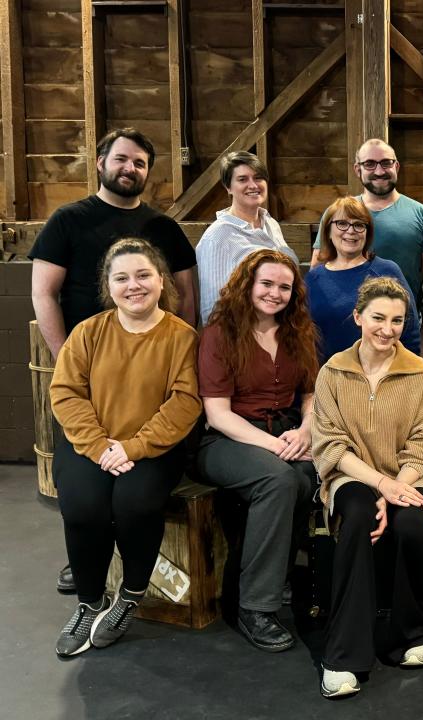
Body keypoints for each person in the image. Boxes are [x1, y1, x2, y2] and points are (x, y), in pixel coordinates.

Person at [29, 126, 197, 595]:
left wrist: (167, 340)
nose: (130, 169)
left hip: (148, 378)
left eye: (140, 163)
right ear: (101, 162)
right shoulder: (69, 219)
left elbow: (187, 292)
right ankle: (89, 564)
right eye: (122, 159)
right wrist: (70, 360)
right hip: (89, 365)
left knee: (134, 498)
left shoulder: (163, 229)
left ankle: (131, 582)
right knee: (84, 499)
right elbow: (44, 293)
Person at [49, 238, 201, 657]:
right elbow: (65, 393)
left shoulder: (182, 337)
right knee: (82, 506)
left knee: (134, 505)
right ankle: (90, 602)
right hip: (90, 444)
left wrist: (133, 447)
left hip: (152, 447)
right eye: (122, 278)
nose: (133, 285)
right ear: (108, 285)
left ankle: (129, 597)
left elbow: (185, 402)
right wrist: (99, 447)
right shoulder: (88, 332)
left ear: (160, 280)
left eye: (142, 275)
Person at [312, 277, 423, 698]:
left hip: (414, 474)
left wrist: (395, 489)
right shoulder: (332, 371)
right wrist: (379, 486)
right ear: (357, 317)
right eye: (377, 318)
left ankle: (413, 633)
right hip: (355, 475)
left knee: (409, 524)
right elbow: (330, 444)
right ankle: (344, 656)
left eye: (397, 320)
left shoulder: (418, 370)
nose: (387, 329)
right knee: (356, 516)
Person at [196, 249, 318, 652]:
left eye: (284, 287)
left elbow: (311, 393)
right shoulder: (219, 333)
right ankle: (255, 608)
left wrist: (305, 430)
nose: (275, 293)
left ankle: (276, 578)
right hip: (226, 438)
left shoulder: (297, 331)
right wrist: (276, 446)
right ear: (247, 284)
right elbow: (216, 413)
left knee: (308, 477)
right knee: (280, 479)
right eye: (266, 283)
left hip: (285, 431)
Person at [310, 139, 423, 358]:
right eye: (370, 164)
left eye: (386, 163)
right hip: (338, 334)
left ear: (396, 166)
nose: (379, 171)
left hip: (397, 331)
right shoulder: (338, 213)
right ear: (358, 169)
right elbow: (319, 267)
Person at [306, 195, 420, 357]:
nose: (351, 231)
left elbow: (410, 330)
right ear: (328, 231)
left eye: (359, 225)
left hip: (379, 373)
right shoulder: (313, 279)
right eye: (342, 223)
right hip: (325, 374)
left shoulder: (387, 271)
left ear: (367, 233)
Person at [195, 151, 299, 324]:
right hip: (242, 336)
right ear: (228, 187)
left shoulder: (271, 224)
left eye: (258, 178)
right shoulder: (218, 237)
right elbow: (212, 309)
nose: (253, 185)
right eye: (243, 179)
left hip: (279, 329)